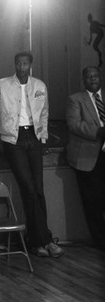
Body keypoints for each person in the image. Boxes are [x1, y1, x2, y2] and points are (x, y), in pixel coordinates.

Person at [0, 51, 64, 258]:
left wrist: (43, 139)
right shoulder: (0, 85)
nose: (21, 67)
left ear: (30, 65)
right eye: (19, 63)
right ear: (14, 64)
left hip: (33, 137)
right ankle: (42, 240)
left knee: (38, 189)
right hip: (13, 139)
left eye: (25, 63)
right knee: (28, 188)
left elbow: (44, 113)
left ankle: (39, 239)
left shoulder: (39, 86)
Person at [66, 66, 105, 252]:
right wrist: (98, 131)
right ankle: (100, 241)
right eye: (89, 77)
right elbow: (74, 124)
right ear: (84, 80)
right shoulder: (75, 99)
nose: (93, 79)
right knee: (93, 202)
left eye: (95, 75)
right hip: (88, 158)